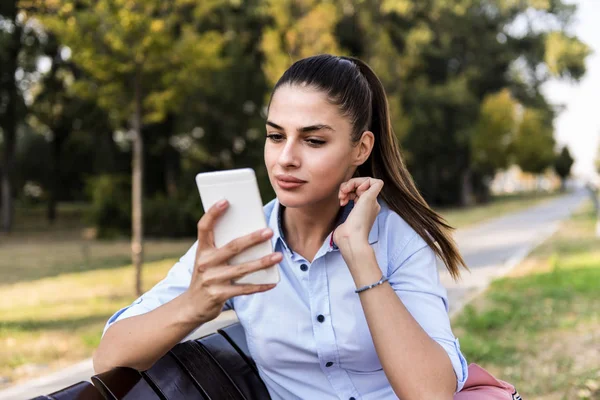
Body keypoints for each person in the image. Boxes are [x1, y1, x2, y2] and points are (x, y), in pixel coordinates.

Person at [94, 54, 470, 399]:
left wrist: (359, 254)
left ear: (361, 149)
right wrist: (196, 302)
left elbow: (432, 394)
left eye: (313, 140)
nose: (285, 159)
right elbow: (108, 358)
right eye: (275, 136)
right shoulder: (239, 240)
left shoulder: (398, 240)